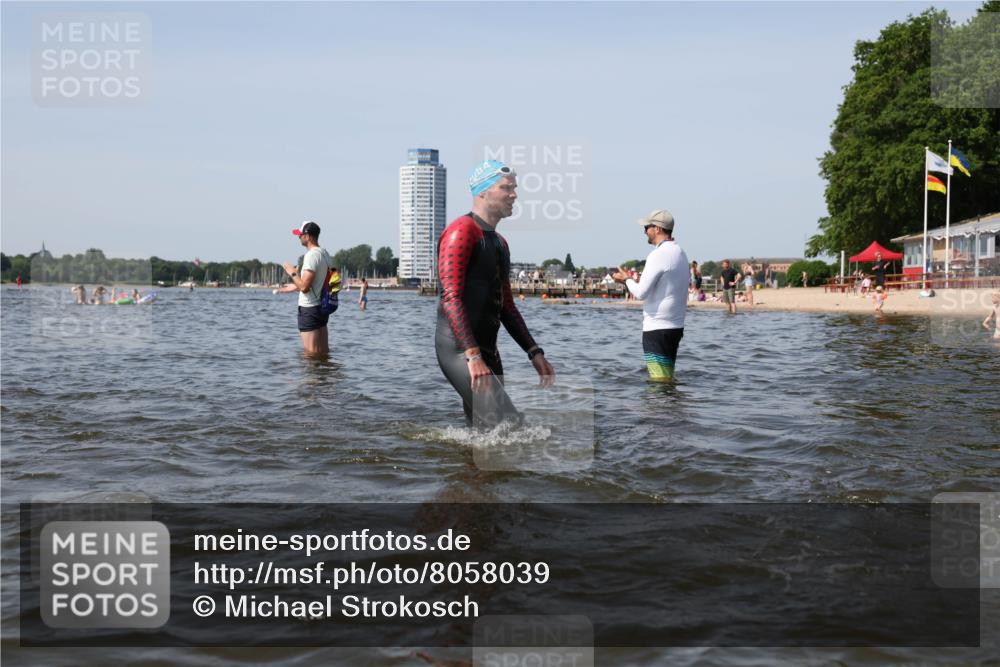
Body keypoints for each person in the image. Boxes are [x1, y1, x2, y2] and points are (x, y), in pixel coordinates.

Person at [436, 159, 555, 427]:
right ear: (483, 192)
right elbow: (451, 298)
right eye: (506, 188)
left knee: (483, 435)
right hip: (459, 351)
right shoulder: (461, 231)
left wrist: (534, 352)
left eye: (514, 188)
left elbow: (506, 306)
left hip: (487, 351)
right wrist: (472, 355)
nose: (514, 194)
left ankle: (469, 469)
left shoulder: (500, 243)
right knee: (509, 426)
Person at [612, 210, 689, 382]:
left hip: (657, 327)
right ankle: (673, 408)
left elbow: (640, 293)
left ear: (658, 229)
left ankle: (661, 409)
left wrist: (626, 280)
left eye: (647, 227)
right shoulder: (681, 253)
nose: (645, 231)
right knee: (667, 378)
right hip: (675, 326)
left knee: (659, 382)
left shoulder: (658, 254)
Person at [280, 221, 333, 356]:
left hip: (310, 309)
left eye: (301, 234)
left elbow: (305, 287)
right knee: (323, 353)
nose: (299, 237)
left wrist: (291, 272)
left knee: (310, 355)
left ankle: (310, 377)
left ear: (308, 236)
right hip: (322, 307)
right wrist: (295, 286)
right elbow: (317, 283)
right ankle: (323, 376)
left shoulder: (311, 256)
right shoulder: (325, 254)